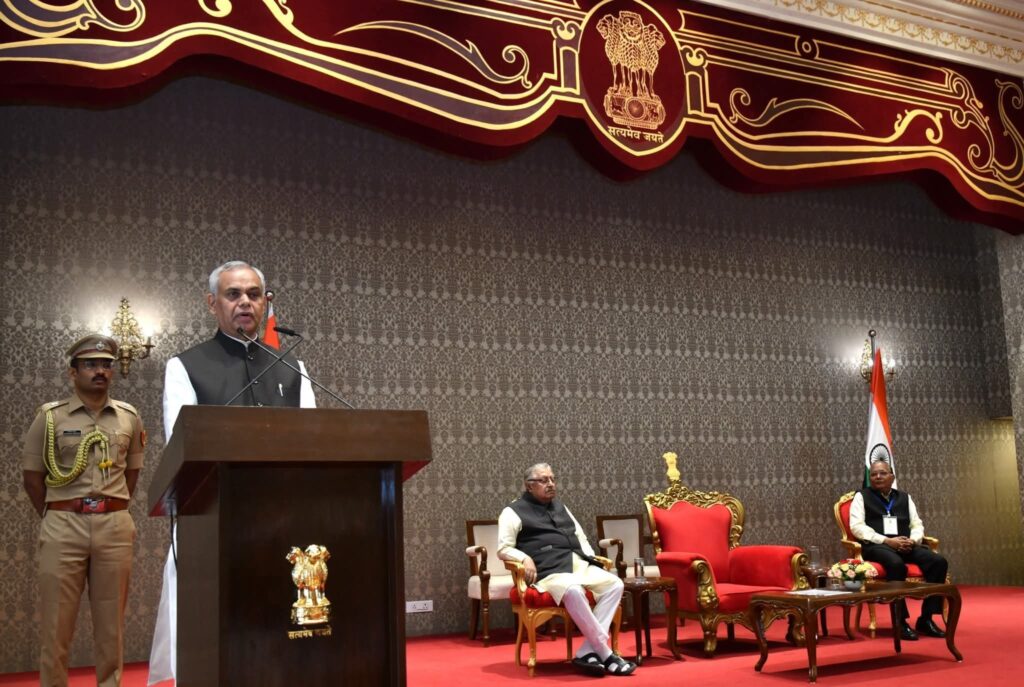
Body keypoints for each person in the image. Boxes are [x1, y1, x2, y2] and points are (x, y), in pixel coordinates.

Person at [148, 260, 316, 685]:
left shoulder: (292, 367)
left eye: (254, 294)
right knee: (214, 645)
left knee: (278, 640)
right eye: (233, 294)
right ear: (212, 304)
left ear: (266, 303)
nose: (245, 302)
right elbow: (181, 448)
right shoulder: (185, 366)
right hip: (212, 521)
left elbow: (314, 442)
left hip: (282, 522)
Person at [21, 334, 146, 687]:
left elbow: (131, 474)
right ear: (72, 372)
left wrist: (110, 507)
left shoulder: (129, 417)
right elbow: (32, 479)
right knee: (56, 624)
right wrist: (59, 513)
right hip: (64, 524)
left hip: (114, 525)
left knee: (111, 624)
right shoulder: (50, 418)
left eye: (106, 365)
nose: (100, 371)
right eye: (90, 364)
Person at [497, 463, 635, 677]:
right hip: (549, 570)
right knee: (572, 589)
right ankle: (606, 653)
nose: (551, 484)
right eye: (544, 480)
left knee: (615, 584)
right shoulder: (512, 512)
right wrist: (524, 558)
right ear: (529, 486)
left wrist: (591, 559)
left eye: (552, 479)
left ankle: (587, 652)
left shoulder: (561, 506)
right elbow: (504, 548)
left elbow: (580, 537)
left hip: (578, 564)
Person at [849, 459, 949, 640]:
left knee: (938, 562)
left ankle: (926, 619)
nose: (878, 477)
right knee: (896, 564)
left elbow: (917, 524)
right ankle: (900, 621)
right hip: (877, 546)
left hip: (905, 544)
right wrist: (886, 540)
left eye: (882, 473)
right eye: (874, 474)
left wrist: (912, 540)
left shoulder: (904, 497)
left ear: (892, 476)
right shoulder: (861, 496)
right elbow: (857, 527)